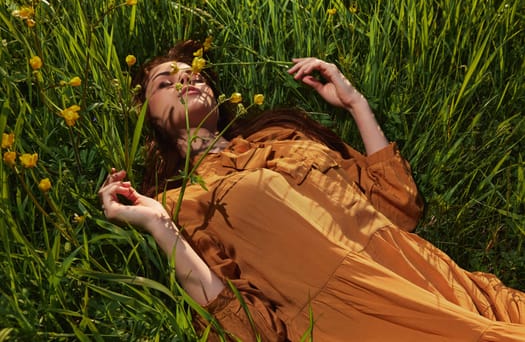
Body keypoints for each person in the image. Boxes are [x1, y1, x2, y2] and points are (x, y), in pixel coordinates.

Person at [98, 40, 525, 341]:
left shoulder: (282, 134)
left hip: (429, 277)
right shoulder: (182, 201)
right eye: (165, 83)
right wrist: (158, 225)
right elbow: (249, 326)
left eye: (193, 75)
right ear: (148, 118)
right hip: (354, 320)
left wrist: (355, 102)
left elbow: (397, 203)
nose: (186, 81)